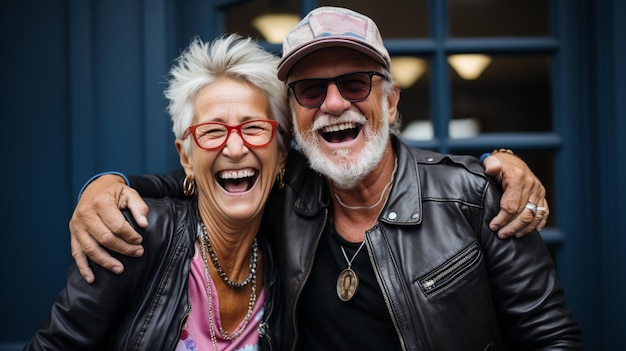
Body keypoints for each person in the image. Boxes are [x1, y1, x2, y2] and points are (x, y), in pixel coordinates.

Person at [69, 6, 581, 350]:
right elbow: (203, 178)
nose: (335, 103)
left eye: (355, 83)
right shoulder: (282, 191)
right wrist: (106, 185)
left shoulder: (475, 196)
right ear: (294, 117)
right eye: (312, 90)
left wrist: (508, 162)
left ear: (391, 99)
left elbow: (552, 336)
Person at [26, 34, 290, 350]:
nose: (235, 148)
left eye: (254, 128)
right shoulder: (134, 235)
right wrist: (105, 183)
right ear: (185, 158)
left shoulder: (289, 261)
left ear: (282, 154)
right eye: (213, 131)